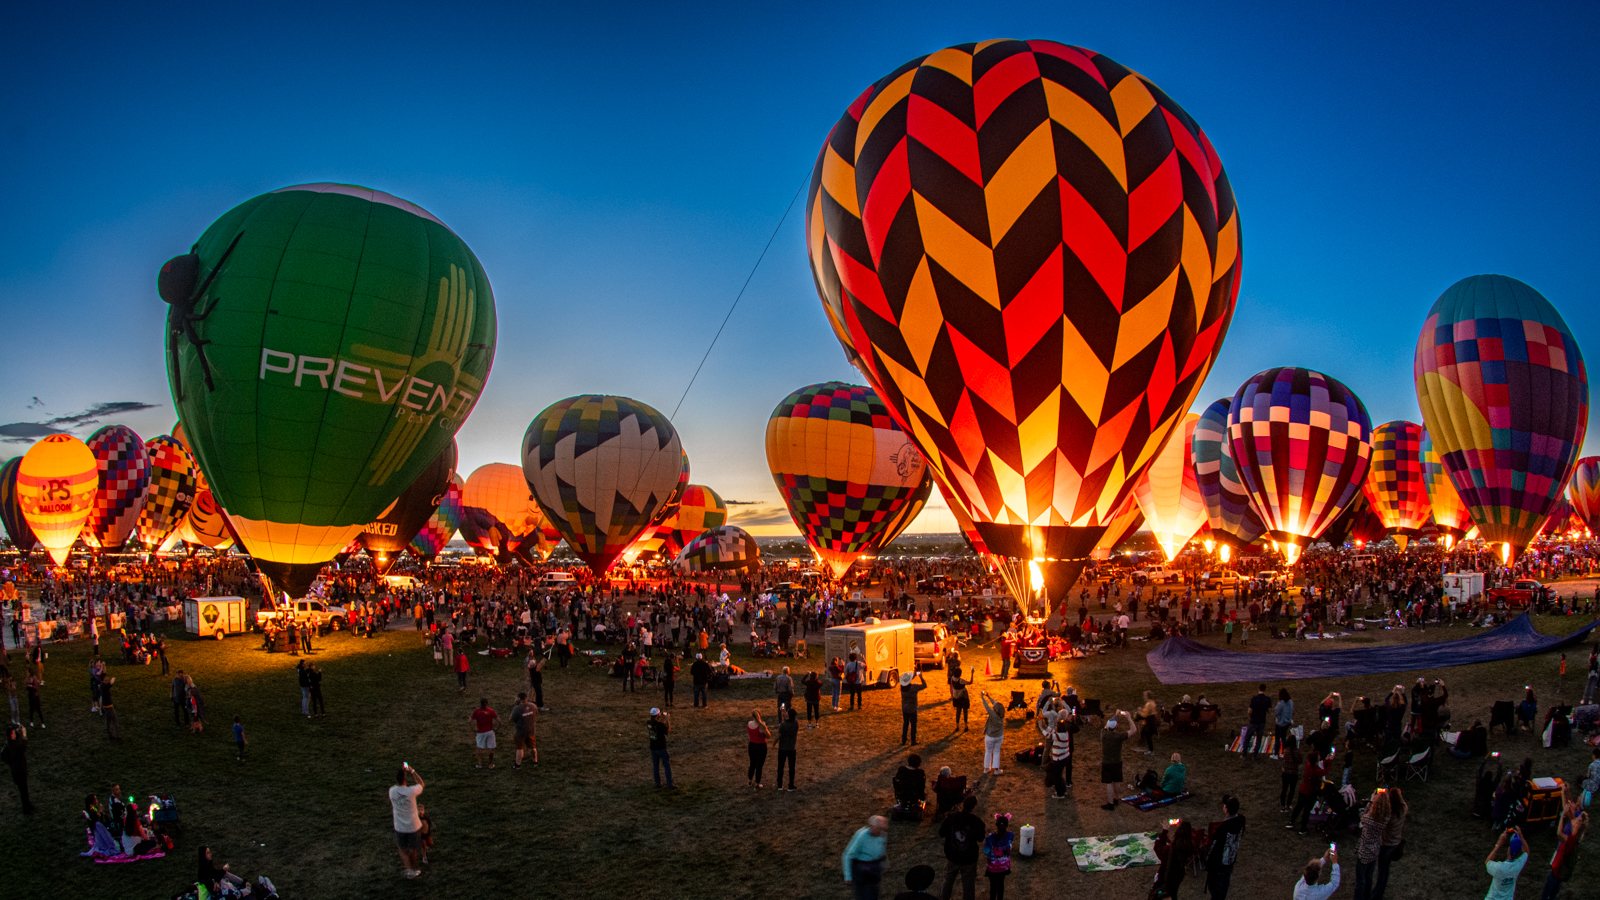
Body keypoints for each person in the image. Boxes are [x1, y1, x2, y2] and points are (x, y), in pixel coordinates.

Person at [940, 795, 984, 900]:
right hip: (969, 860)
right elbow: (980, 838)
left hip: (952, 857)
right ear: (974, 807)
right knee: (968, 887)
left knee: (948, 882)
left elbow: (941, 833)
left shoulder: (951, 818)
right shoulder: (976, 822)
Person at [1541, 800, 1587, 900]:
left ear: (1577, 826)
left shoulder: (1570, 839)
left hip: (1556, 869)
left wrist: (1562, 816)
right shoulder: (1576, 839)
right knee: (1554, 892)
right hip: (1562, 871)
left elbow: (1559, 834)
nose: (1573, 820)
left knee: (1546, 893)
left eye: (1576, 820)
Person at [1204, 796, 1245, 899]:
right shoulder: (1241, 820)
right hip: (1229, 861)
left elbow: (1214, 849)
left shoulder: (1222, 828)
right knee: (1223, 890)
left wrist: (1207, 863)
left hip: (1219, 866)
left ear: (1226, 808)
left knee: (1216, 893)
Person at [1353, 788, 1391, 900]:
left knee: (1360, 880)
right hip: (1375, 851)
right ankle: (1367, 897)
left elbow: (1362, 815)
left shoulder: (1369, 819)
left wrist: (1371, 801)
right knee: (1369, 877)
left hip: (1364, 853)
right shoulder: (1385, 818)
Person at [389, 764, 424, 879]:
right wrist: (412, 770)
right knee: (413, 848)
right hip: (413, 825)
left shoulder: (392, 791)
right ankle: (412, 869)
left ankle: (408, 869)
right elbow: (421, 784)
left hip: (400, 826)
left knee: (401, 848)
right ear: (405, 779)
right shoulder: (411, 791)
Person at [1372, 785, 1407, 900]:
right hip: (1395, 844)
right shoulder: (1403, 809)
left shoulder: (1389, 815)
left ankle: (1377, 895)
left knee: (1382, 872)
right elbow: (1401, 802)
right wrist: (1398, 794)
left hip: (1386, 846)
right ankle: (1378, 892)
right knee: (1385, 871)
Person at [843, 815, 889, 900]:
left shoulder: (882, 834)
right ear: (872, 827)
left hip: (875, 868)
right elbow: (848, 855)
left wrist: (885, 865)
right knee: (863, 895)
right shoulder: (862, 836)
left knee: (874, 892)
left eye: (883, 829)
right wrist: (848, 877)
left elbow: (882, 850)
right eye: (879, 829)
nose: (881, 831)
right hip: (861, 870)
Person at [1100, 710, 1134, 810]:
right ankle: (1116, 798)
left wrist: (1115, 716)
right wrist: (1129, 717)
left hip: (1106, 762)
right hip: (1117, 762)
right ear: (1116, 727)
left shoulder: (1103, 733)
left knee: (1109, 783)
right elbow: (1133, 730)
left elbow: (1107, 726)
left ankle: (1111, 803)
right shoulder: (1119, 737)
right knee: (1117, 780)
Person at [1288, 749, 1328, 834]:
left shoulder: (1308, 765)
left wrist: (1327, 760)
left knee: (1298, 806)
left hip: (1303, 790)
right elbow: (1324, 772)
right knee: (1306, 810)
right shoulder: (1316, 770)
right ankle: (1303, 828)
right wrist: (1330, 761)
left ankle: (1291, 822)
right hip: (1310, 792)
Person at [1153, 818, 1194, 898]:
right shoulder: (1189, 846)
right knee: (1173, 895)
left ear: (1177, 833)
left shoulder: (1171, 850)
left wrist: (1164, 831)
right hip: (1177, 878)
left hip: (1166, 879)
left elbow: (1158, 848)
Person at [1484, 826, 1527, 900]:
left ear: (1508, 850)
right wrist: (1521, 837)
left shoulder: (1499, 868)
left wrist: (1498, 844)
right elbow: (1526, 852)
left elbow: (1487, 862)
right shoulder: (1518, 864)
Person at [1046, 712, 1078, 800]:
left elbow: (1048, 735)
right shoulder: (1064, 730)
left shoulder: (1060, 733)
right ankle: (1064, 788)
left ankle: (1060, 792)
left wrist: (1042, 727)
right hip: (1065, 753)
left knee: (1058, 775)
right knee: (1060, 774)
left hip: (1060, 756)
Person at [982, 814, 1013, 900]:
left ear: (996, 825)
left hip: (993, 868)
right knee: (1001, 885)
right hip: (1004, 867)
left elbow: (986, 852)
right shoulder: (1010, 836)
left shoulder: (990, 839)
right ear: (1006, 825)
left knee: (993, 886)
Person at [1, 725, 31, 814]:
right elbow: (23, 747)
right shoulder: (14, 745)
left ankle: (28, 805)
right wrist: (24, 734)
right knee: (23, 791)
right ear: (11, 734)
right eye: (14, 732)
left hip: (16, 770)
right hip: (19, 771)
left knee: (24, 790)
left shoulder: (10, 743)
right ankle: (26, 809)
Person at [979, 691, 1006, 775]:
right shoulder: (1002, 715)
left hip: (990, 736)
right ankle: (996, 770)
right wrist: (989, 697)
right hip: (999, 736)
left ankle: (986, 768)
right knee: (996, 752)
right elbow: (995, 704)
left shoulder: (992, 714)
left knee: (988, 752)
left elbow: (987, 707)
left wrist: (983, 698)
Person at [647, 707, 675, 788]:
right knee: (666, 765)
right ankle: (669, 784)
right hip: (661, 747)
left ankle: (657, 783)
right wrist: (668, 720)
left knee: (656, 766)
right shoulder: (660, 725)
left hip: (653, 747)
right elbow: (667, 730)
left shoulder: (649, 723)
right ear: (658, 715)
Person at [468, 698, 499, 769]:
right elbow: (499, 721)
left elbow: (469, 721)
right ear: (487, 704)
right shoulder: (491, 711)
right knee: (491, 749)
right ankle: (491, 764)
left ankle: (479, 764)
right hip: (490, 732)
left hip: (481, 732)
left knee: (479, 749)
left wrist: (473, 728)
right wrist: (497, 728)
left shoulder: (477, 711)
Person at [511, 691, 538, 768]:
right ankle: (535, 761)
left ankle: (518, 765)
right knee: (532, 747)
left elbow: (512, 719)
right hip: (531, 730)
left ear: (519, 699)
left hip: (520, 732)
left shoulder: (517, 708)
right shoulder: (533, 706)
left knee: (520, 748)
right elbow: (536, 714)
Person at [901, 671, 927, 745]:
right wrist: (920, 676)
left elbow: (907, 682)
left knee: (905, 724)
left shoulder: (902, 687)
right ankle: (913, 740)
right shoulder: (913, 687)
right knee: (913, 725)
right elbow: (924, 685)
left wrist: (914, 675)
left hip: (905, 708)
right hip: (912, 708)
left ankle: (904, 739)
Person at [745, 710, 771, 788]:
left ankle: (750, 781)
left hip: (751, 746)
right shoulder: (761, 725)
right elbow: (768, 736)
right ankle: (757, 783)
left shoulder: (749, 724)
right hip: (761, 746)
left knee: (752, 764)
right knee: (759, 766)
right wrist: (765, 729)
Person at [775, 706, 798, 791]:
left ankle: (780, 785)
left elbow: (778, 735)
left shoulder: (783, 726)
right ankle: (791, 785)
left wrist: (774, 744)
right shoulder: (796, 724)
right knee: (791, 768)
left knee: (780, 767)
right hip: (792, 749)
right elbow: (788, 719)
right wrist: (784, 711)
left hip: (782, 749)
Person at [1245, 684, 1271, 758]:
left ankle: (1244, 753)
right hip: (1262, 721)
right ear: (1265, 689)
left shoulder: (1254, 698)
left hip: (1254, 721)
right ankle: (1255, 755)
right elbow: (1269, 710)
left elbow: (1249, 711)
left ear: (1258, 689)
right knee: (1259, 739)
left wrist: (1250, 716)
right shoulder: (1267, 699)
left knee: (1248, 737)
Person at [1279, 734, 1303, 812]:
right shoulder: (1297, 751)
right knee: (1292, 790)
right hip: (1293, 773)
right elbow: (1300, 761)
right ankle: (1288, 805)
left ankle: (1282, 805)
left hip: (1285, 773)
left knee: (1284, 789)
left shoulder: (1285, 750)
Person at [1137, 689, 1160, 755]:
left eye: (1145, 696)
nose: (1144, 697)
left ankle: (1151, 750)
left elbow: (1145, 714)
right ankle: (1144, 746)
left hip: (1149, 722)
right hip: (1151, 721)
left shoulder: (1149, 704)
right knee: (1143, 733)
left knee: (1148, 735)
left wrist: (1140, 711)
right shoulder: (1152, 702)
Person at [1274, 688, 1295, 753]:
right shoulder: (1291, 702)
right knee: (1284, 737)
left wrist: (1278, 718)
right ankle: (1284, 752)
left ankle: (1276, 754)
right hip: (1287, 722)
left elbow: (1276, 712)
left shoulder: (1280, 703)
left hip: (1280, 723)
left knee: (1277, 738)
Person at [949, 666, 970, 732]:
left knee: (958, 712)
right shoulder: (961, 681)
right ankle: (965, 725)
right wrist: (972, 673)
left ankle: (957, 726)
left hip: (956, 696)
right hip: (963, 697)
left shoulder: (952, 679)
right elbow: (970, 682)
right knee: (965, 711)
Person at [99, 675, 119, 740]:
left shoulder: (101, 686)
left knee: (108, 721)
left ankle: (109, 735)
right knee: (114, 720)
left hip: (105, 706)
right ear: (103, 679)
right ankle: (117, 736)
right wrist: (113, 678)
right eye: (106, 678)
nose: (107, 678)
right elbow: (110, 683)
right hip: (109, 706)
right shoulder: (104, 686)